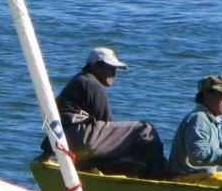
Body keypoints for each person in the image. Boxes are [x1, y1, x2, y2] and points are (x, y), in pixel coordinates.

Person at [41, 47, 166, 178]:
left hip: (64, 140)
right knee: (145, 129)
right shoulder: (92, 84)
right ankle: (157, 177)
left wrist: (46, 153)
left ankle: (101, 166)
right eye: (110, 68)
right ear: (94, 66)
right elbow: (107, 124)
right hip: (78, 138)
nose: (114, 74)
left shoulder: (78, 80)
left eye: (115, 69)